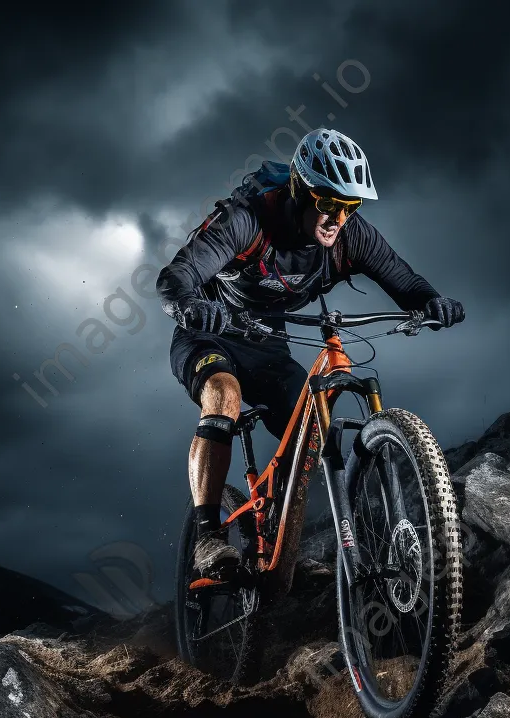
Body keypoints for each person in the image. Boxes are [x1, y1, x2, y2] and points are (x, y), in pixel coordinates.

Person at [157, 128, 464, 577]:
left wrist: (432, 301)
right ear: (300, 190)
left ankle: (281, 547)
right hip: (209, 333)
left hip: (268, 344)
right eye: (327, 202)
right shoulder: (247, 220)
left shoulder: (351, 236)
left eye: (349, 206)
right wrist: (190, 306)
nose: (337, 217)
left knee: (307, 436)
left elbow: (405, 281)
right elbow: (174, 278)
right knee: (223, 395)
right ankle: (208, 536)